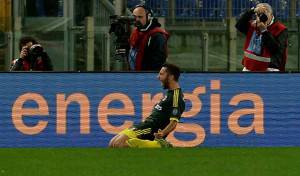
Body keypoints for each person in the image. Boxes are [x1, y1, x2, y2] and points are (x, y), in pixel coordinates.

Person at [109, 63, 185, 148]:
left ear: (171, 77)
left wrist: (163, 133)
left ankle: (160, 145)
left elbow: (174, 122)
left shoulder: (176, 97)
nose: (158, 77)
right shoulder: (170, 93)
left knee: (119, 144)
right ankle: (158, 145)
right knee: (112, 143)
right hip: (145, 126)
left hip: (151, 129)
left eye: (161, 74)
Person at [235, 3, 288, 72]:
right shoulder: (253, 25)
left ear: (271, 15)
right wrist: (252, 11)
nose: (261, 17)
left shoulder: (280, 29)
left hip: (269, 69)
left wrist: (264, 31)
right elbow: (239, 26)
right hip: (249, 67)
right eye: (259, 14)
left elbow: (275, 49)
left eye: (264, 14)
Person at [128, 4, 169, 71]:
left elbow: (157, 63)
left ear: (149, 17)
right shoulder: (136, 32)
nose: (137, 19)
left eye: (140, 17)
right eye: (134, 17)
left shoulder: (157, 36)